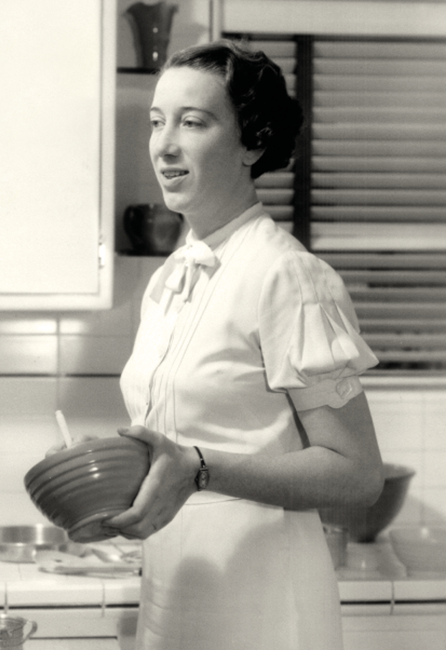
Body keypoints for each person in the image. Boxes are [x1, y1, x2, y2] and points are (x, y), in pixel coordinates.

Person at [101, 40, 384, 650]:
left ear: (252, 142)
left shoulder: (287, 276)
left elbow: (358, 474)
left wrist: (199, 469)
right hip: (175, 594)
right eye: (156, 122)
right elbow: (177, 443)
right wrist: (102, 476)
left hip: (263, 607)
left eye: (192, 122)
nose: (164, 144)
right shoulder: (171, 278)